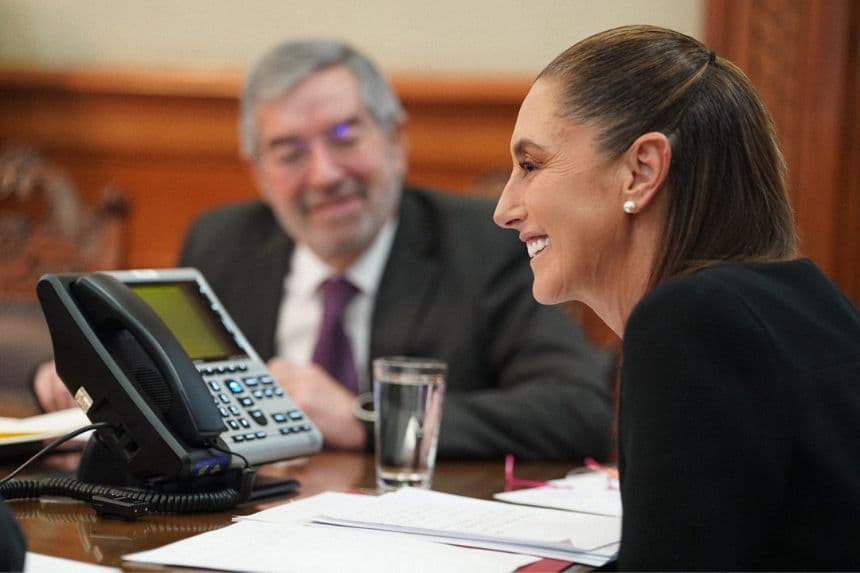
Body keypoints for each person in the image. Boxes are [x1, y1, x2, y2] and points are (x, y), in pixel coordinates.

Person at [34, 39, 614, 461]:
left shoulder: (482, 245)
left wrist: (366, 419)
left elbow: (576, 410)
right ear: (258, 172)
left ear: (395, 140)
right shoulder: (221, 242)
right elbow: (176, 386)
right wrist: (98, 376)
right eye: (288, 152)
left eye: (344, 137)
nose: (323, 175)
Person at [493, 25, 860, 570]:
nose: (504, 209)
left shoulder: (691, 322)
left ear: (641, 172)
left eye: (530, 165)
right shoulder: (802, 298)